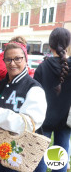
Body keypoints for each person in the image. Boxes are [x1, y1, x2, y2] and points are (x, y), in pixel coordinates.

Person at [0, 38, 47, 171]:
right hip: (3, 151)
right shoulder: (1, 84)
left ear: (26, 60)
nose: (12, 63)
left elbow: (29, 124)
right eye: (8, 59)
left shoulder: (34, 89)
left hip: (23, 155)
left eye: (17, 59)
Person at [34, 27, 71, 172]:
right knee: (61, 155)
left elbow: (34, 95)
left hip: (44, 119)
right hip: (66, 120)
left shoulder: (42, 67)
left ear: (50, 45)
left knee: (40, 154)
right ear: (67, 45)